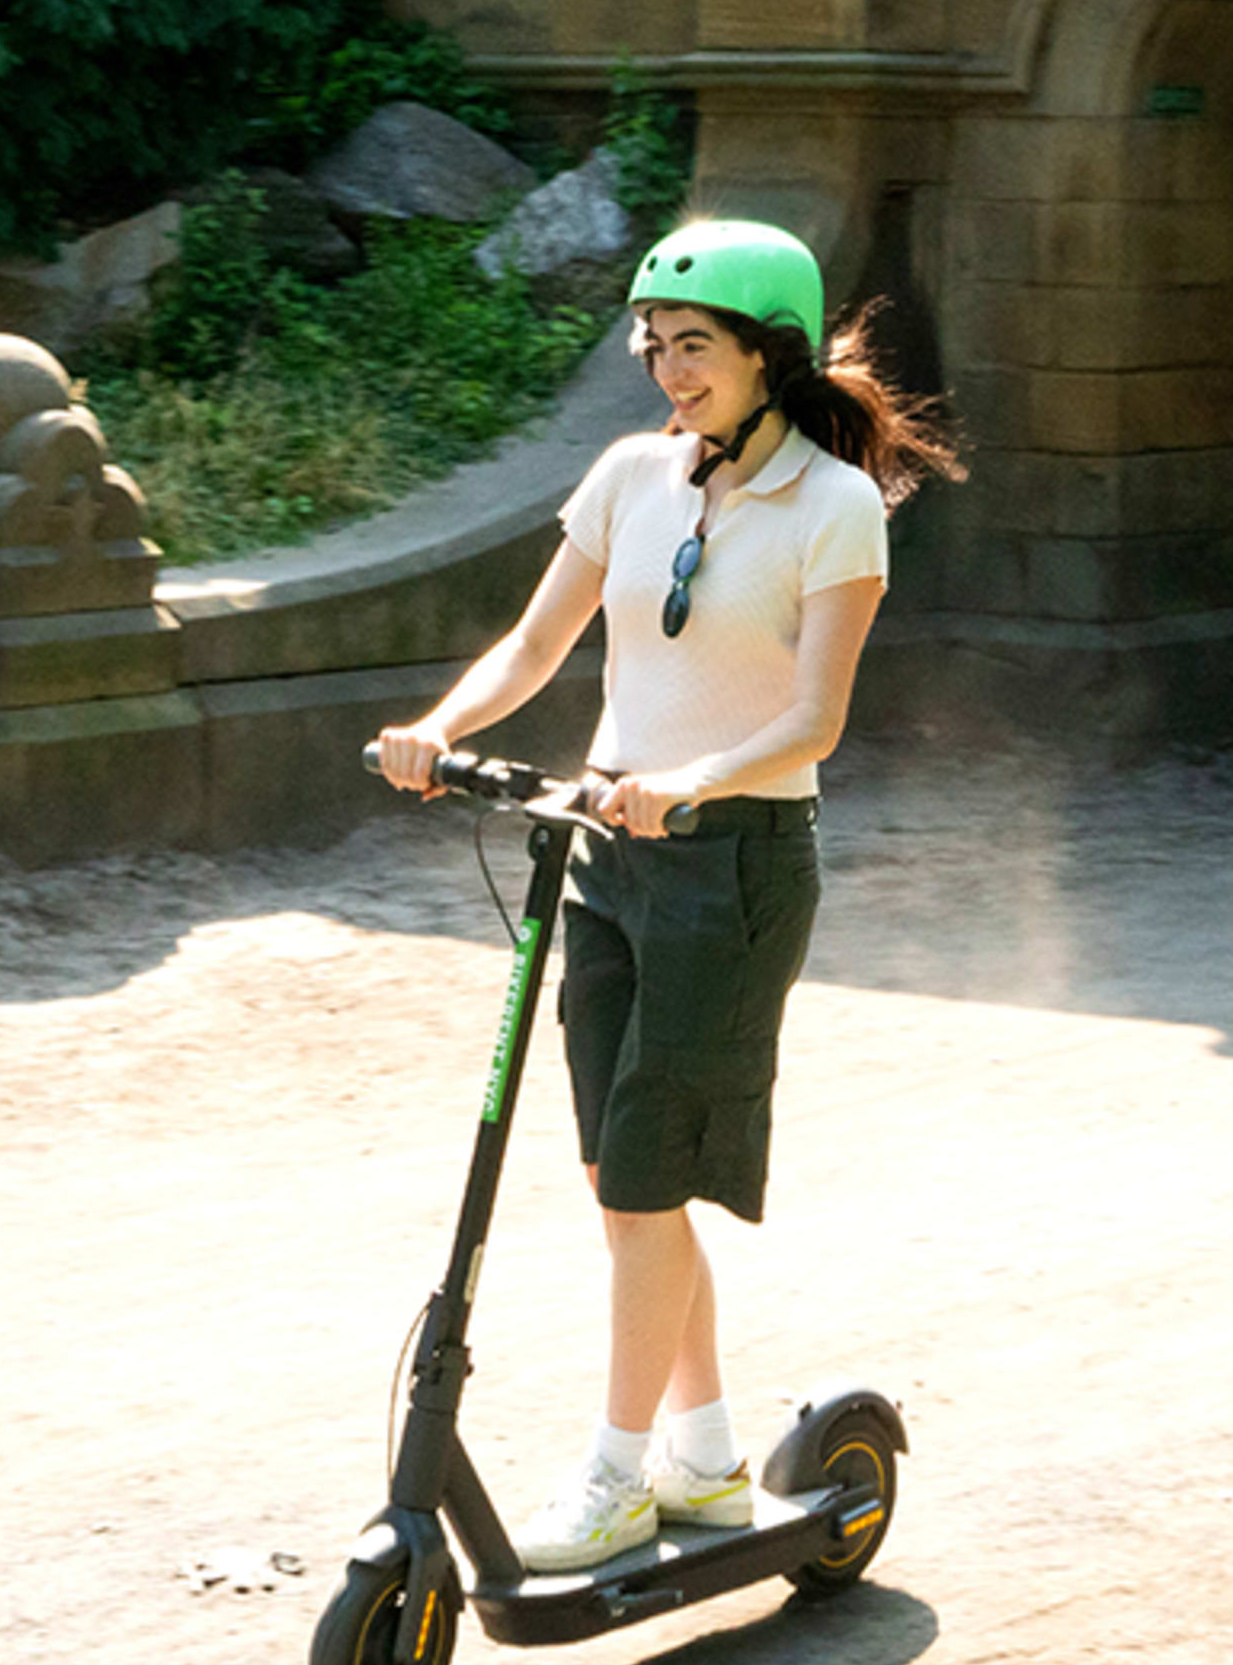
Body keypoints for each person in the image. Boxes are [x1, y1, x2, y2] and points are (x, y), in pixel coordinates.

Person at [371, 215, 962, 1574]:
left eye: (693, 346)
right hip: (608, 851)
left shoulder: (837, 508)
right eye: (655, 343)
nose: (666, 369)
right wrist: (436, 730)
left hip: (737, 866)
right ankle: (703, 1453)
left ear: (770, 354)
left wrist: (690, 778)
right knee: (616, 1178)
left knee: (644, 1187)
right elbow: (535, 643)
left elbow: (814, 722)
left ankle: (617, 1478)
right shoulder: (633, 475)